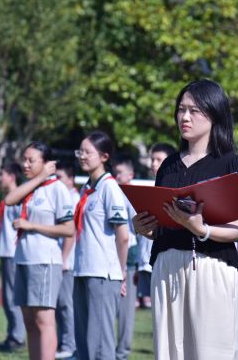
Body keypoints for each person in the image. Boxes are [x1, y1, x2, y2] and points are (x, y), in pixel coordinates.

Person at [133, 79, 238, 360]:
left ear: (214, 115)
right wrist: (144, 228)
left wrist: (202, 229)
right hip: (166, 266)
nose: (184, 117)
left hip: (210, 266)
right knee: (169, 352)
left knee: (210, 352)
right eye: (181, 109)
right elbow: (162, 223)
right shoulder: (168, 165)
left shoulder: (230, 164)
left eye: (194, 111)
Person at [5, 142, 75, 360]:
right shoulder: (32, 187)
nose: (25, 164)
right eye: (24, 159)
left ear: (46, 163)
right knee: (29, 321)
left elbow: (68, 229)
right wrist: (39, 177)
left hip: (44, 262)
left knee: (44, 321)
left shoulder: (57, 189)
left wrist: (31, 225)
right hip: (24, 259)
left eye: (31, 160)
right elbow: (9, 199)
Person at [73, 131, 130, 360]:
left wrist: (121, 271)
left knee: (99, 344)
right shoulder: (87, 188)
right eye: (80, 152)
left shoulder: (109, 188)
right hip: (82, 269)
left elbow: (123, 236)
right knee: (84, 341)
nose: (82, 156)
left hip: (102, 273)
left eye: (88, 152)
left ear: (104, 156)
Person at [138, 143, 176, 310]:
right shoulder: (147, 189)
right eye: (152, 159)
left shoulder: (175, 190)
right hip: (153, 258)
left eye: (159, 160)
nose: (153, 164)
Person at [0, 161, 26, 352]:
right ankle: (12, 333)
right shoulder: (9, 198)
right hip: (6, 252)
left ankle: (17, 337)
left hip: (13, 253)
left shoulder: (18, 198)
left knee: (13, 296)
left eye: (2, 175)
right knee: (7, 297)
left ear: (12, 176)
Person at [114, 155, 139, 360]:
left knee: (125, 308)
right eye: (115, 172)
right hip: (113, 252)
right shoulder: (114, 191)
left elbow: (137, 228)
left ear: (130, 175)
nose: (117, 176)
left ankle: (122, 351)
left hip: (128, 253)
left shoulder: (132, 195)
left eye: (120, 173)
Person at [55, 163, 79, 359]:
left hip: (69, 261)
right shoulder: (62, 196)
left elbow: (72, 232)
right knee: (58, 304)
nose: (57, 181)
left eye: (60, 177)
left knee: (65, 304)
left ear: (71, 180)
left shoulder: (73, 199)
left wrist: (63, 259)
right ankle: (62, 342)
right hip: (61, 259)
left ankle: (69, 344)